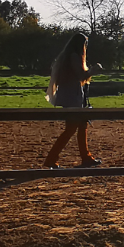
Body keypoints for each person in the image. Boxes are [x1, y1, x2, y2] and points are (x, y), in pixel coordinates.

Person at [43, 32, 101, 167]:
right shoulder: (74, 57)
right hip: (72, 97)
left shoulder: (66, 57)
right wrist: (93, 70)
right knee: (71, 128)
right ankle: (51, 159)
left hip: (70, 95)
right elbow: (81, 76)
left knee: (81, 125)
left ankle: (85, 157)